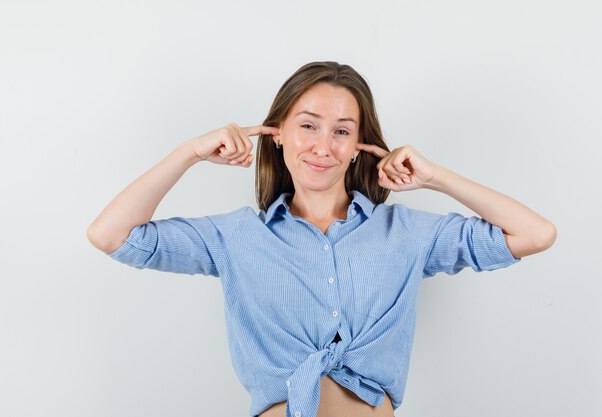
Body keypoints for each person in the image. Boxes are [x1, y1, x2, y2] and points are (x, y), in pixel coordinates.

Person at [87, 61, 557, 417]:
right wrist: (188, 152)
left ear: (357, 148)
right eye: (308, 125)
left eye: (342, 132)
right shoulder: (234, 237)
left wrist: (434, 178)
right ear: (277, 134)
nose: (322, 146)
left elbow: (536, 233)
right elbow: (110, 235)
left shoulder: (408, 234)